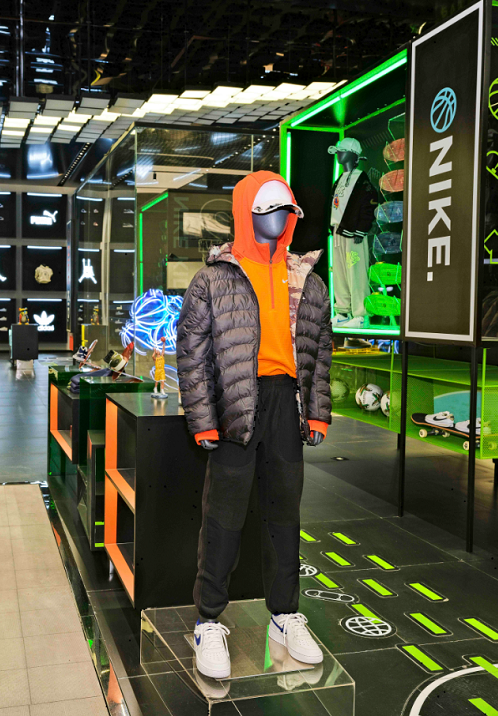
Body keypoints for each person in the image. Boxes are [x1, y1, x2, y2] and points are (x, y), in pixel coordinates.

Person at [177, 171, 332, 680]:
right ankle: (207, 621)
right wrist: (202, 418)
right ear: (247, 213)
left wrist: (317, 410)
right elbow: (192, 355)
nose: (279, 218)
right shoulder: (213, 279)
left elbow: (319, 352)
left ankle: (285, 615)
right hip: (235, 405)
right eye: (268, 209)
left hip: (286, 404)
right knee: (223, 515)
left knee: (284, 513)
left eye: (286, 210)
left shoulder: (308, 281)